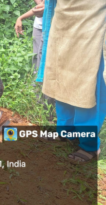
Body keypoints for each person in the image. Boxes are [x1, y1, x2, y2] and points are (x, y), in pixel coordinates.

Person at [40, 0, 106, 163]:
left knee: (86, 87)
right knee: (61, 81)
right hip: (64, 23)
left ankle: (89, 145)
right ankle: (66, 131)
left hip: (91, 26)